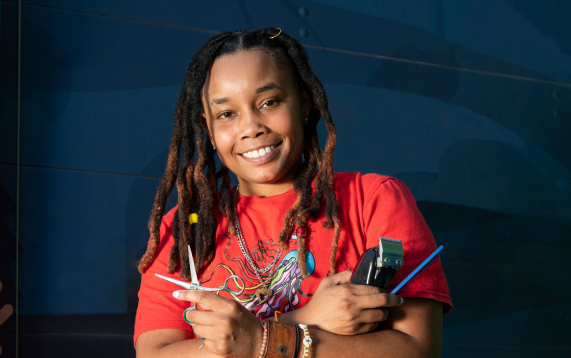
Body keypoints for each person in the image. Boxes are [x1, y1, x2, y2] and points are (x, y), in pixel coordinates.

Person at [134, 28, 452, 358]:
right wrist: (300, 322)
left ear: (303, 103)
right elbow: (155, 353)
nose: (251, 128)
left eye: (269, 102)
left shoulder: (375, 200)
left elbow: (417, 349)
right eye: (227, 114)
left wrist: (260, 339)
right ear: (209, 129)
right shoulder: (185, 230)